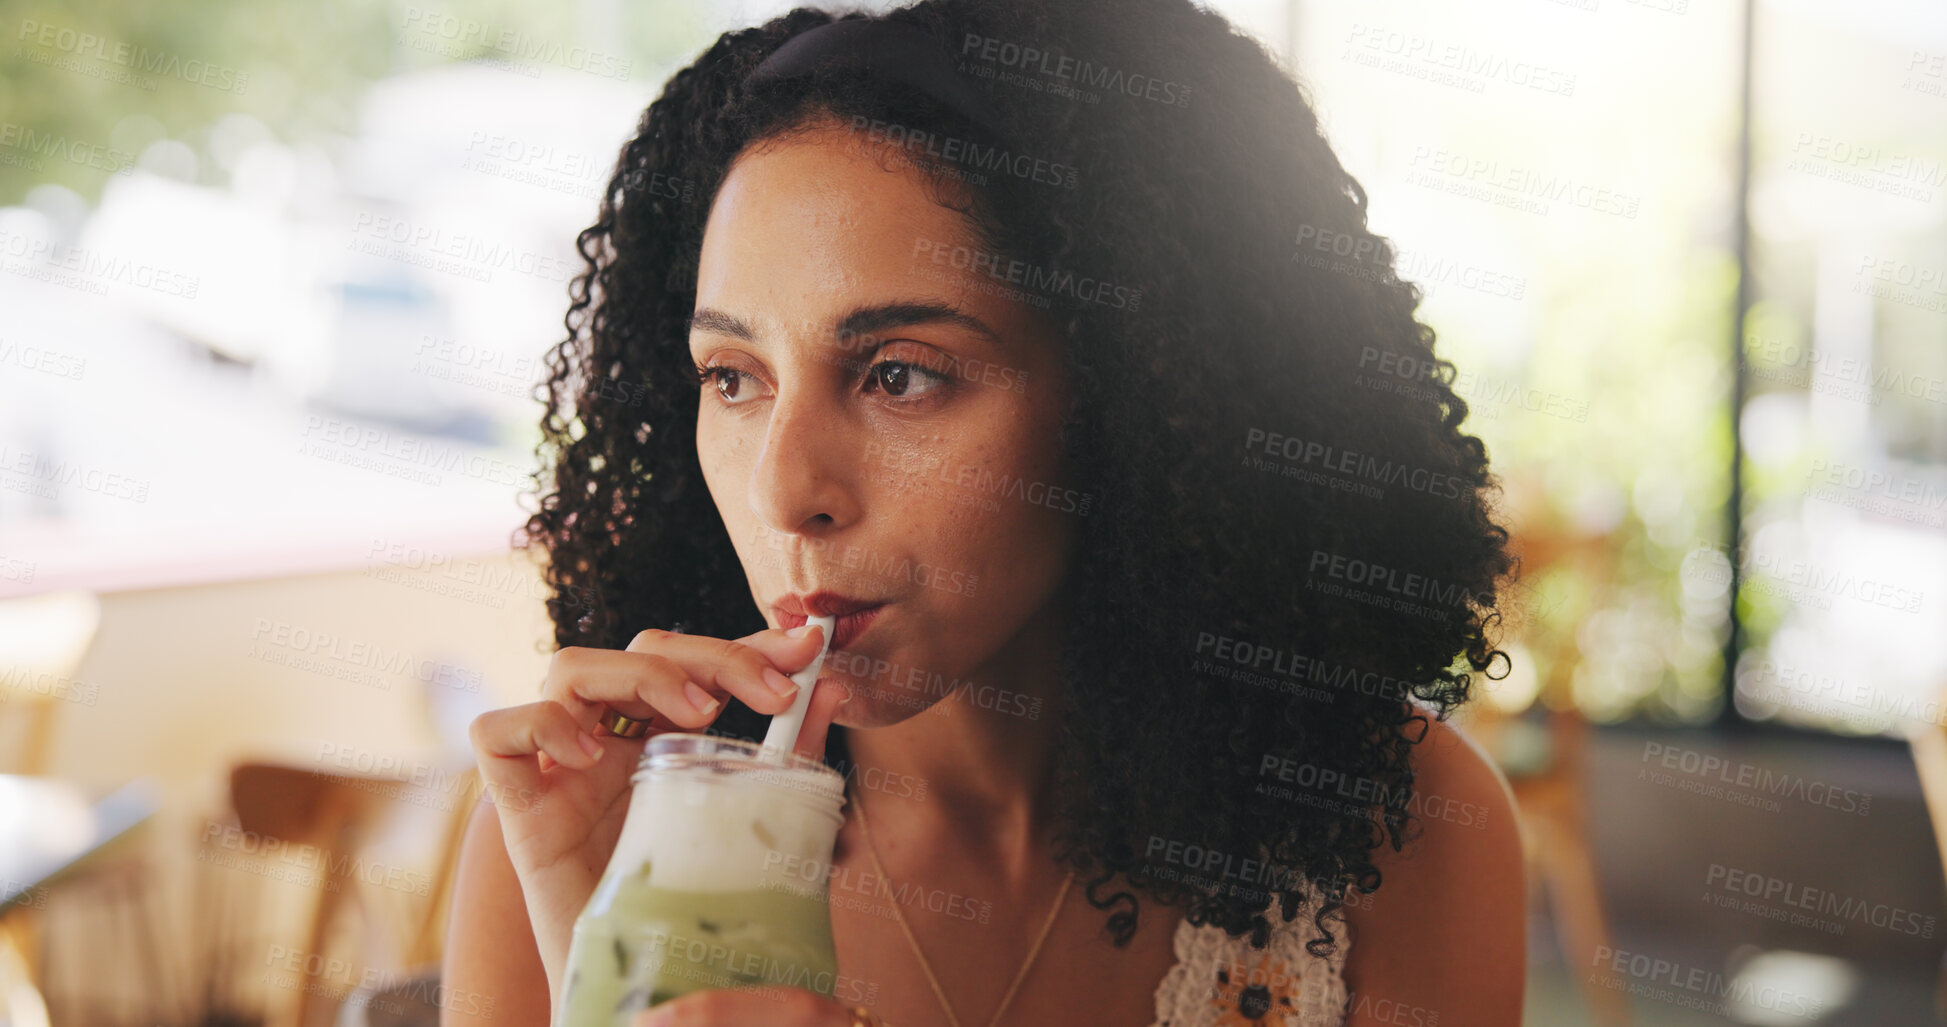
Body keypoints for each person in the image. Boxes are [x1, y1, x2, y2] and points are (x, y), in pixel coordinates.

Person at [448, 1, 1525, 1024]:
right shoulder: (585, 837)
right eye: (733, 377)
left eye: (900, 376)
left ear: (1132, 399)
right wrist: (605, 985)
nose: (785, 490)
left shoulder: (1393, 834)